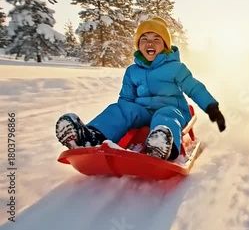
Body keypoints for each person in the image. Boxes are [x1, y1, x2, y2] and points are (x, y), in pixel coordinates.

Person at [55, 17, 226, 161]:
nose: (149, 43)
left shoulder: (176, 68)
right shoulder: (132, 71)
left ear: (165, 45)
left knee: (165, 115)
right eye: (144, 39)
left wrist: (211, 107)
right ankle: (90, 137)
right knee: (120, 109)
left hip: (173, 109)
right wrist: (123, 116)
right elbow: (126, 99)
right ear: (138, 45)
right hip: (143, 112)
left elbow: (194, 88)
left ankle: (164, 145)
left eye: (156, 39)